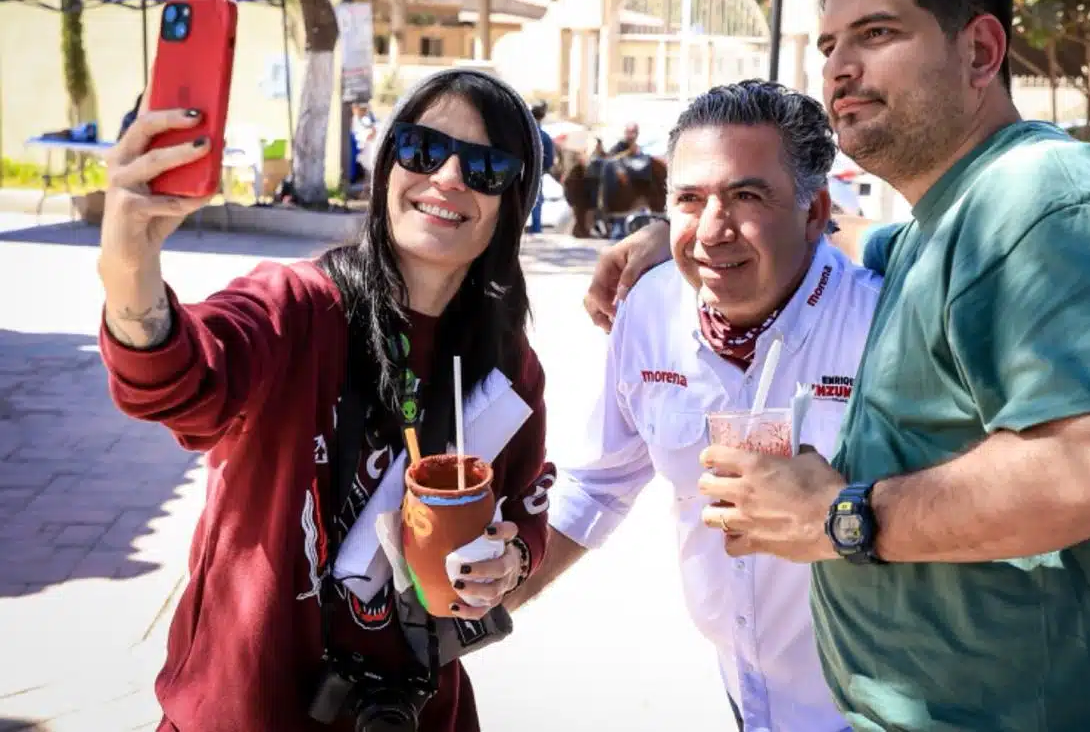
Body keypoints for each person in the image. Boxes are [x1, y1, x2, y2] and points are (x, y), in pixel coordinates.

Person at [582, 0, 1090, 732]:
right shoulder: (937, 231)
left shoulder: (1049, 197)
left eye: (878, 33)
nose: (841, 69)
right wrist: (689, 228)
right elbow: (834, 232)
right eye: (829, 45)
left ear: (981, 52)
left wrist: (840, 516)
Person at [96, 68, 555, 732]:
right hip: (247, 708)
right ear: (388, 166)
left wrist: (507, 562)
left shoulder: (509, 370)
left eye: (485, 167)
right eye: (422, 149)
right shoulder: (296, 307)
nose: (450, 177)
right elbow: (179, 382)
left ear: (512, 201)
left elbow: (524, 511)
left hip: (419, 708)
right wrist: (129, 273)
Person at [507, 80, 883, 732]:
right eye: (689, 199)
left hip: (881, 710)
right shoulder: (649, 308)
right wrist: (499, 592)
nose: (712, 230)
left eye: (746, 195)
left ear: (815, 209)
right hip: (744, 694)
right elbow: (598, 483)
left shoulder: (884, 317)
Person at [527, 99, 556, 234]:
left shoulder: (522, 134)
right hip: (536, 174)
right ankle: (536, 229)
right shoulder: (545, 137)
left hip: (519, 171)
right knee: (536, 201)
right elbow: (550, 160)